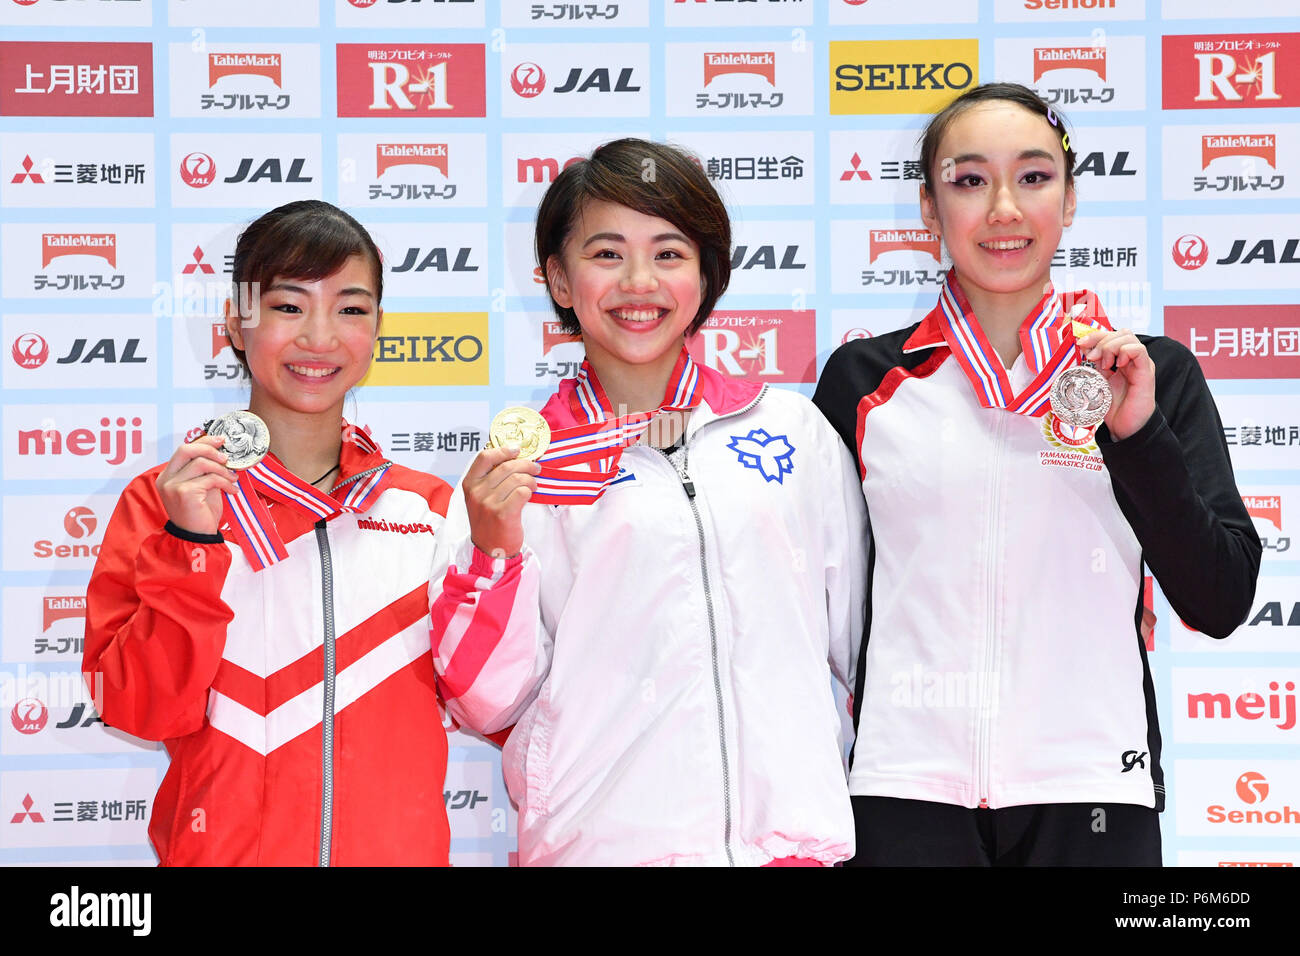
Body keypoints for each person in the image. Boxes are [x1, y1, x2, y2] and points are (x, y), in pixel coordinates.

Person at [812, 83, 1262, 866]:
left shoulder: (1151, 375)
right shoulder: (863, 381)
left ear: (1071, 198)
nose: (1004, 209)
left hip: (1092, 789)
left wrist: (1138, 433)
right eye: (968, 180)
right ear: (927, 210)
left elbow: (1221, 599)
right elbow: (810, 601)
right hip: (903, 789)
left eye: (1033, 176)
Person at [430, 138, 868, 866]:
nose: (640, 282)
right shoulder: (519, 468)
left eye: (669, 254)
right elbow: (484, 703)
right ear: (559, 281)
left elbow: (860, 648)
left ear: (706, 275)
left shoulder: (789, 432)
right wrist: (493, 553)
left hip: (788, 850)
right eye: (606, 254)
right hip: (600, 848)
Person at [84, 200, 458, 865]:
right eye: (289, 307)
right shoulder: (164, 502)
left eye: (350, 308)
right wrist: (191, 547)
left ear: (377, 328)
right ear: (235, 323)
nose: (319, 338)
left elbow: (488, 700)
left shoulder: (428, 509)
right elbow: (139, 710)